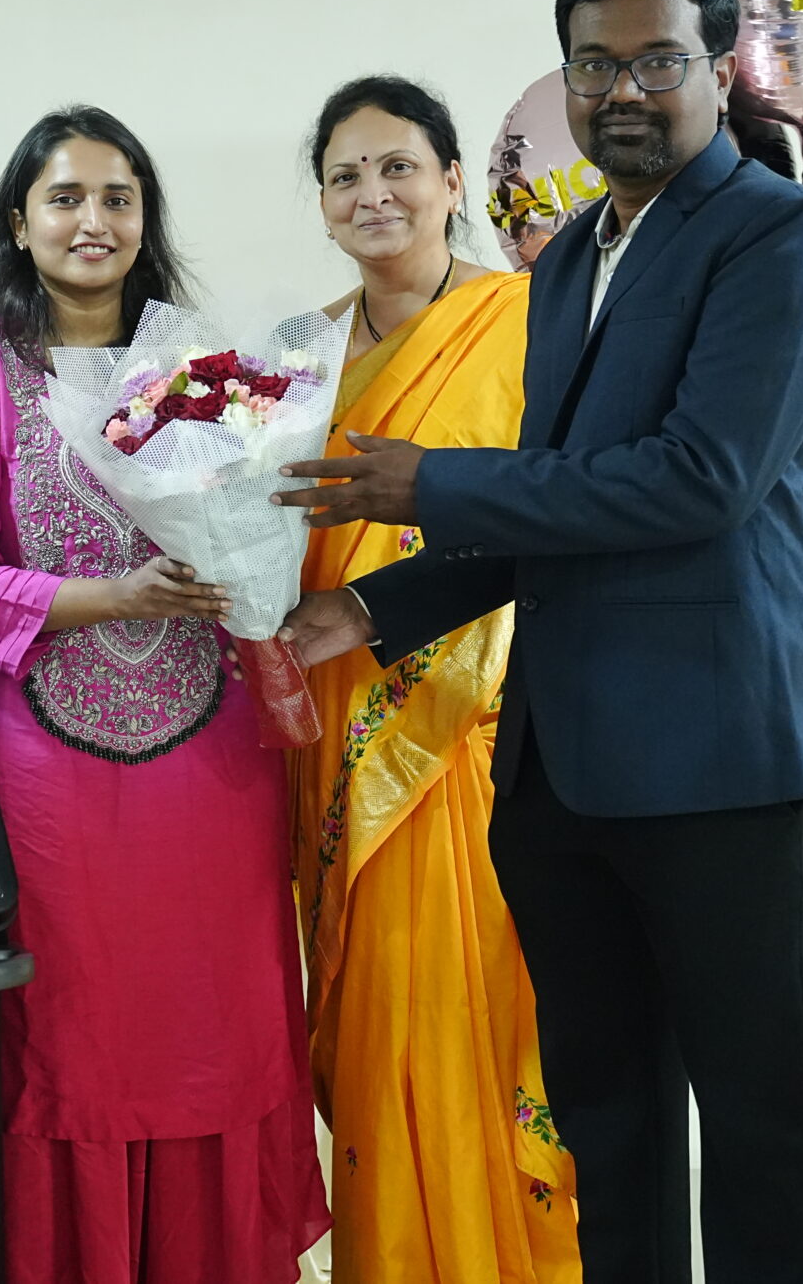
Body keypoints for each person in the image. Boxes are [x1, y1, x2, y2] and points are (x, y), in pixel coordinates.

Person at [279, 0, 803, 1284]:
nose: (622, 92)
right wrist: (363, 608)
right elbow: (552, 508)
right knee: (607, 1115)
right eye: (593, 66)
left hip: (717, 757)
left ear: (719, 68)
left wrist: (430, 481)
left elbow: (701, 479)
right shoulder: (565, 264)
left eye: (656, 61)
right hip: (556, 768)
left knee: (758, 1116)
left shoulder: (780, 234)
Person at [0, 106, 329, 1284]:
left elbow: (262, 523)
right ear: (19, 222)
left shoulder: (206, 372)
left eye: (117, 198)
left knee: (211, 1016)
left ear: (146, 219)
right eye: (65, 197)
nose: (92, 220)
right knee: (68, 1029)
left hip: (210, 766)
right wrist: (116, 599)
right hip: (38, 775)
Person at [289, 76, 580, 1282]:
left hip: (478, 730)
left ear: (453, 181)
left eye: (398, 166)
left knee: (481, 1012)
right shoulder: (297, 356)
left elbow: (558, 509)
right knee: (372, 1020)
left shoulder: (532, 321)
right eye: (346, 175)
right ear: (321, 202)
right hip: (328, 712)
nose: (374, 194)